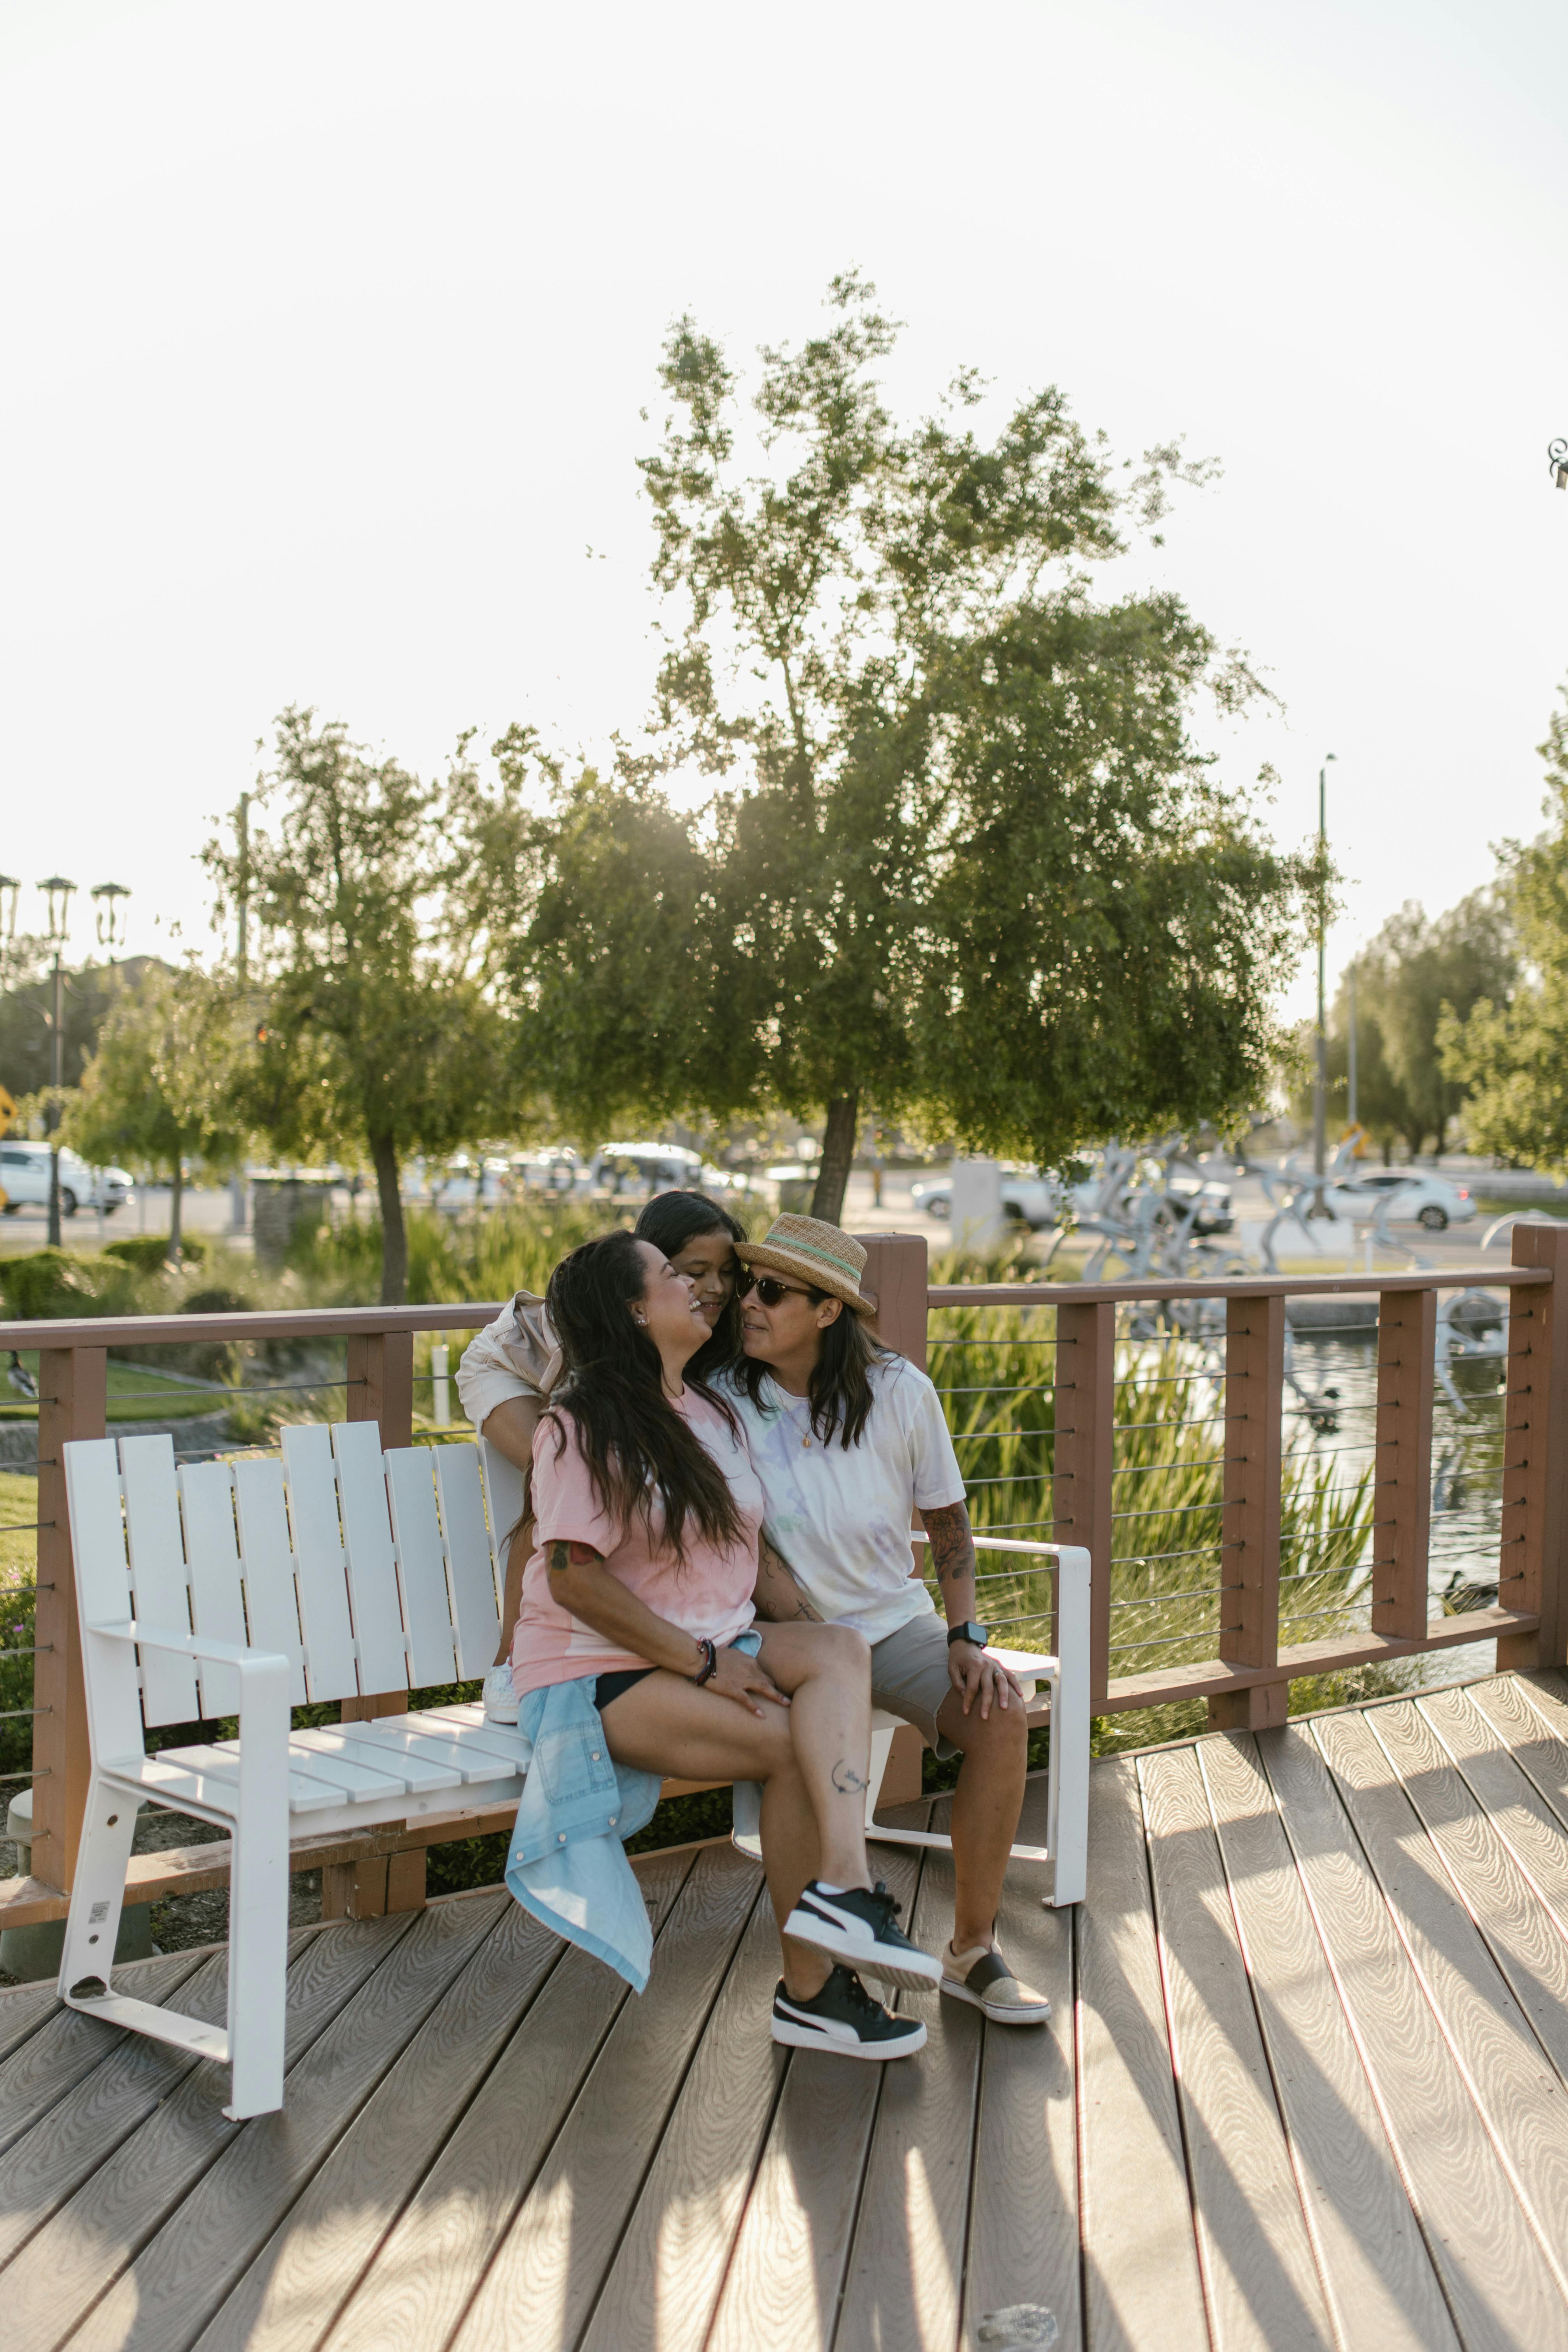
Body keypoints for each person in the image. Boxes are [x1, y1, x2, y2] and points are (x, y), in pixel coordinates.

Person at [507, 1227, 939, 2058]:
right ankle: (814, 1994)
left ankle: (845, 1884)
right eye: (673, 1274)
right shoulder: (579, 1426)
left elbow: (751, 1561)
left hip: (715, 1640)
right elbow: (571, 1579)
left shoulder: (706, 1411)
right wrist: (706, 1665)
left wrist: (815, 1626)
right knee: (785, 1744)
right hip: (598, 1669)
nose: (700, 1287)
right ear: (636, 1311)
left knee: (840, 1652)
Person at [726, 1212, 1052, 2027]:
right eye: (745, 1285)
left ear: (829, 1310)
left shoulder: (901, 1390)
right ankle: (816, 1986)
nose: (748, 1303)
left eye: (771, 1290)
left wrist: (966, 1634)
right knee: (793, 1751)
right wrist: (807, 1630)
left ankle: (970, 1951)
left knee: (1002, 1714)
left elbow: (947, 1522)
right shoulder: (725, 1401)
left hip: (893, 1624)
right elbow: (737, 1542)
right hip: (785, 1639)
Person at [456, 1191, 746, 1724]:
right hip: (508, 1367)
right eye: (693, 1271)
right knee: (555, 1482)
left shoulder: (703, 1325)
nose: (713, 1287)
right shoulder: (606, 1327)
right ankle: (509, 1661)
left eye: (726, 1271)